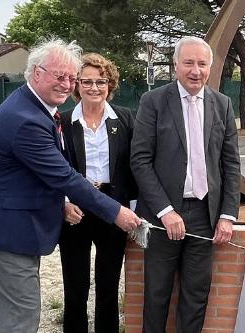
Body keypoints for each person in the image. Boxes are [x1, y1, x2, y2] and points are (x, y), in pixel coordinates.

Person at [0, 38, 140, 333]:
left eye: (70, 77)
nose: (67, 84)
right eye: (61, 76)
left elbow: (36, 173)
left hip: (19, 227)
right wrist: (118, 213)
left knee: (23, 313)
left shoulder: (37, 108)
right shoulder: (28, 119)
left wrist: (61, 202)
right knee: (23, 318)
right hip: (7, 231)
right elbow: (64, 176)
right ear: (36, 73)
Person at [130, 36, 241, 332]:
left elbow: (231, 164)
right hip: (161, 217)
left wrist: (228, 215)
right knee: (156, 294)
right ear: (176, 65)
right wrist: (165, 211)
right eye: (188, 63)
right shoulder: (153, 101)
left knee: (196, 296)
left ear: (210, 67)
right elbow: (140, 160)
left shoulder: (223, 104)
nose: (196, 70)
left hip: (206, 217)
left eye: (202, 64)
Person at [59, 53, 137, 332]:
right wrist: (64, 204)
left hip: (113, 210)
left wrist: (133, 211)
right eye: (87, 81)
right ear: (77, 86)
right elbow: (55, 167)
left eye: (101, 81)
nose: (94, 87)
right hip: (75, 212)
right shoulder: (62, 121)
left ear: (110, 84)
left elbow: (133, 168)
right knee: (75, 286)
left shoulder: (126, 118)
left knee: (108, 285)